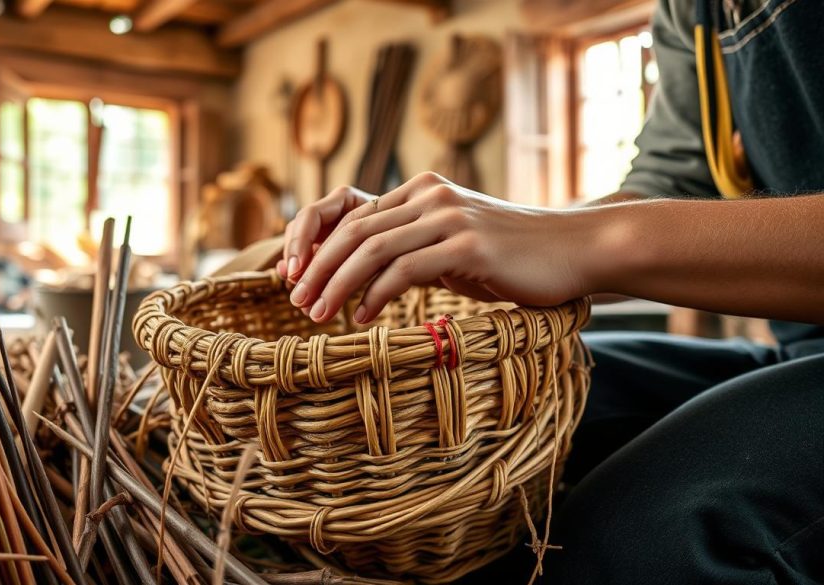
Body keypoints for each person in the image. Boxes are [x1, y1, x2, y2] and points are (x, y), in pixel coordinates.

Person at [276, 0, 823, 582]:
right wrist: (498, 230)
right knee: (483, 414)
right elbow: (668, 184)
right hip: (798, 351)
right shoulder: (691, 8)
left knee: (652, 533)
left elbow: (610, 239)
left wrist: (576, 242)